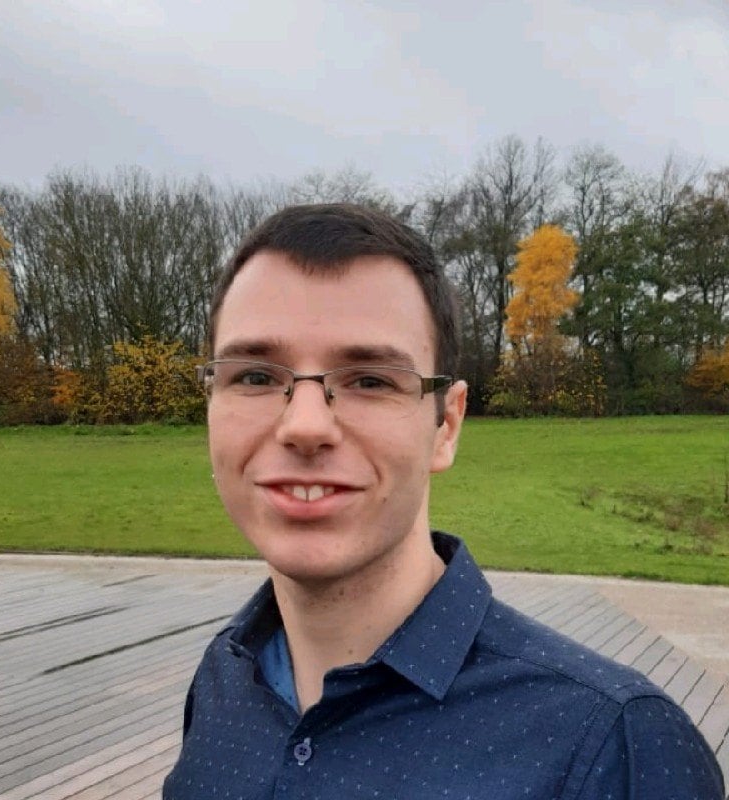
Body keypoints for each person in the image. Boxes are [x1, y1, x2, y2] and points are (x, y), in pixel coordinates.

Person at [163, 203, 724, 799]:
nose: (305, 425)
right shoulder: (224, 678)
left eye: (370, 380)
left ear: (447, 426)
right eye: (254, 376)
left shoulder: (617, 747)